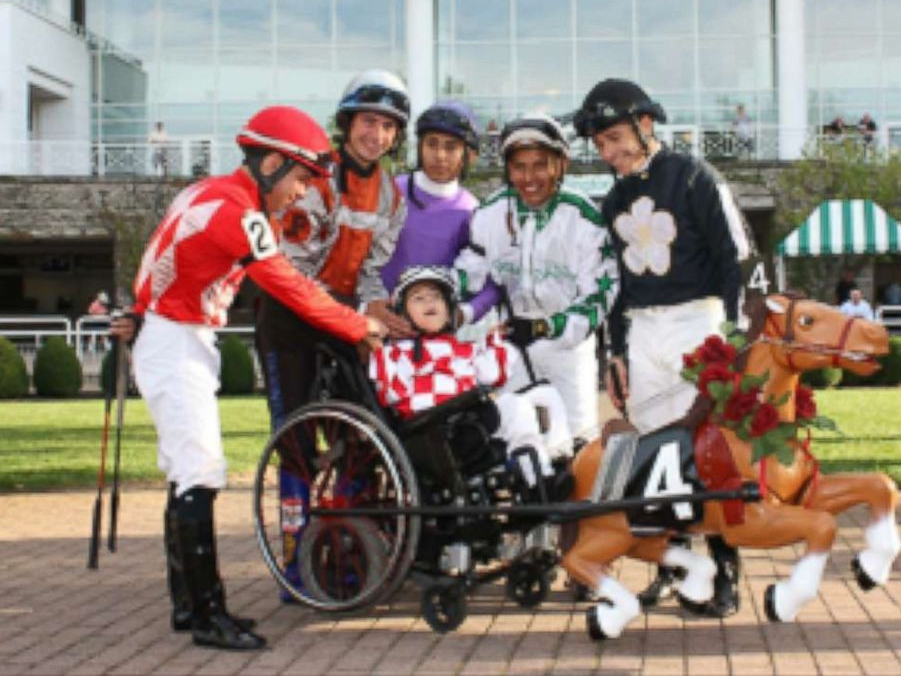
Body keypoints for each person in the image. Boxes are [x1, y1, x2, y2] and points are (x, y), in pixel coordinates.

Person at [110, 105, 386, 650]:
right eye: (302, 177)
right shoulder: (237, 214)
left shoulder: (204, 192)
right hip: (176, 340)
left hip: (177, 334)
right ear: (271, 164)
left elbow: (156, 255)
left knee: (185, 471)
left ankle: (188, 608)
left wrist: (142, 309)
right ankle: (210, 616)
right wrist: (359, 326)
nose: (302, 193)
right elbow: (291, 287)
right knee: (201, 471)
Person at [573, 78, 754, 618]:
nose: (607, 154)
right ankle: (672, 565)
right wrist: (616, 353)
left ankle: (725, 571)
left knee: (709, 454)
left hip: (699, 320)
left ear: (645, 125)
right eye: (599, 145)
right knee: (653, 456)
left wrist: (737, 336)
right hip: (644, 329)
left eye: (613, 139)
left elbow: (736, 259)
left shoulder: (697, 177)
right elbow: (616, 288)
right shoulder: (613, 200)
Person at [254, 70, 411, 601]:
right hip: (290, 315)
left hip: (343, 315)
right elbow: (292, 267)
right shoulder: (314, 176)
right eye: (370, 121)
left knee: (362, 432)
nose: (379, 135)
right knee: (295, 440)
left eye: (390, 127)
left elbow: (372, 270)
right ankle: (297, 561)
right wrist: (347, 314)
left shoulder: (391, 193)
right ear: (348, 123)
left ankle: (345, 551)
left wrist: (374, 307)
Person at [454, 113, 618, 447]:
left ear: (561, 164)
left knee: (576, 447)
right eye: (519, 166)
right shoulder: (490, 214)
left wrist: (547, 327)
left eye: (540, 165)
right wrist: (433, 293)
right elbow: (469, 270)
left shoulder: (583, 218)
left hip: (566, 350)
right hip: (512, 346)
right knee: (519, 446)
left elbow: (600, 294)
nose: (529, 178)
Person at [369, 266, 572, 498]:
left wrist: (502, 339)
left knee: (542, 395)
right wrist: (378, 350)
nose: (429, 303)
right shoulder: (398, 352)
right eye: (418, 298)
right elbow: (391, 394)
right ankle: (535, 476)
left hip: (471, 418)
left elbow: (492, 374)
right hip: (436, 429)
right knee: (514, 407)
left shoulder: (462, 349)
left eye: (436, 297)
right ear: (402, 314)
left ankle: (547, 470)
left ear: (449, 309)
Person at [380, 100, 499, 324]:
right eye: (432, 144)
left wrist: (462, 315)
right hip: (378, 327)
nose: (440, 155)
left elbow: (492, 283)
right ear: (420, 147)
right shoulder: (391, 191)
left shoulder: (473, 212)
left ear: (469, 155)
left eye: (451, 147)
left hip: (434, 338)